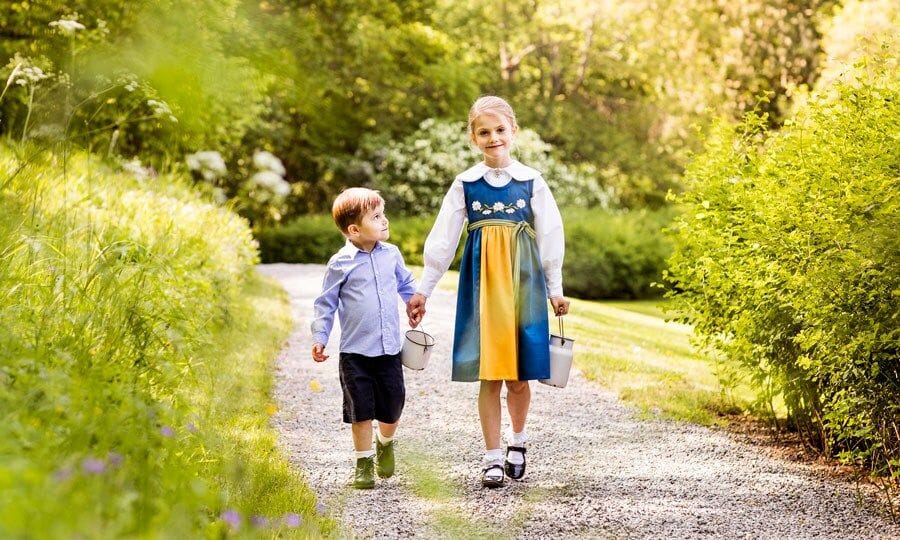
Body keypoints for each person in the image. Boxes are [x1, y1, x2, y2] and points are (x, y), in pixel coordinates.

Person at [406, 96, 571, 488]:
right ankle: (492, 456)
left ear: (513, 132)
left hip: (523, 282)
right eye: (484, 131)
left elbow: (550, 235)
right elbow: (443, 241)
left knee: (519, 375)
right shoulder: (464, 183)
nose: (493, 137)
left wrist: (556, 289)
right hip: (482, 286)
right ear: (473, 137)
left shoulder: (532, 180)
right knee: (489, 373)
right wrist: (424, 291)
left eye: (500, 130)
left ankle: (518, 441)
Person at [311, 187, 421, 489]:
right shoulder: (340, 263)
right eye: (376, 217)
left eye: (383, 214)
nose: (384, 221)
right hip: (355, 353)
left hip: (388, 350)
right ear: (354, 229)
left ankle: (385, 441)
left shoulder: (392, 254)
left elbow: (405, 283)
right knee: (360, 410)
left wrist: (413, 302)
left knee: (394, 404)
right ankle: (363, 463)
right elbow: (326, 303)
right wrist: (320, 336)